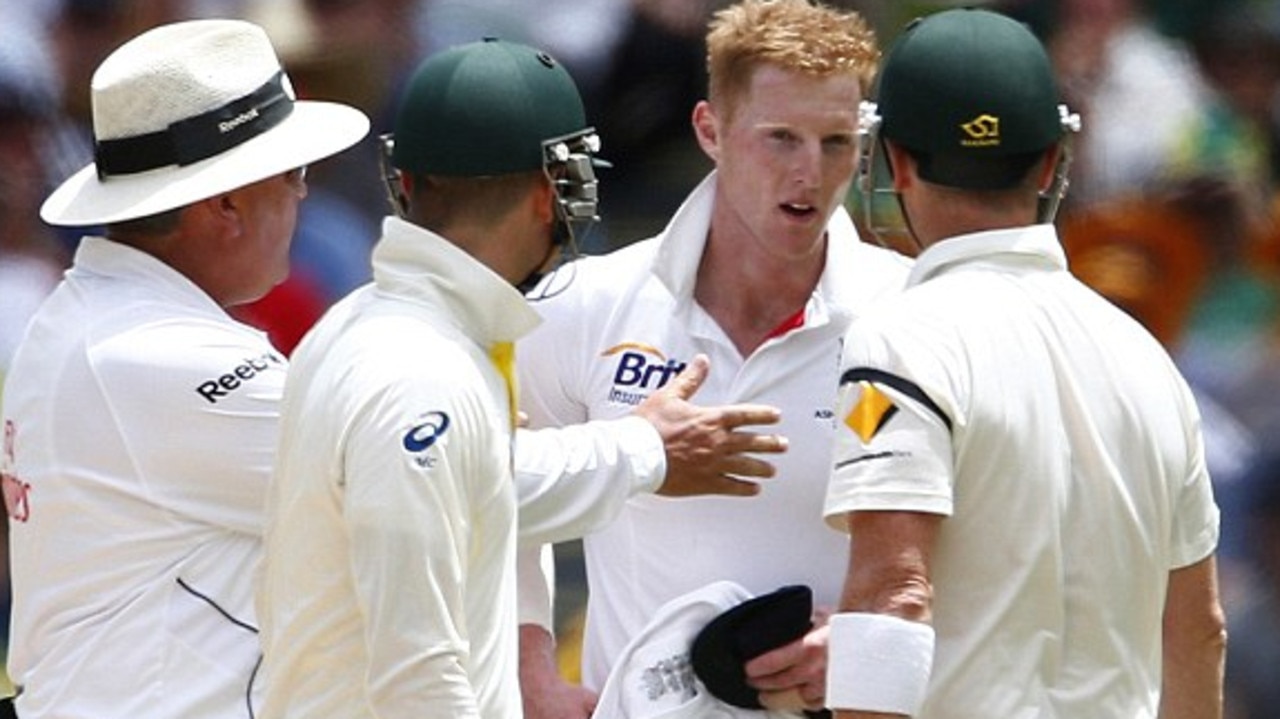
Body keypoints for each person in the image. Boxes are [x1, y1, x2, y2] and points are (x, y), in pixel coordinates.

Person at [254, 38, 787, 718]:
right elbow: (416, 669)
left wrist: (641, 448)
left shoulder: (361, 326)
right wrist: (645, 447)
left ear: (407, 183)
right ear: (550, 191)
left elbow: (483, 488)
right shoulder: (422, 374)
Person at [822, 8, 1225, 718]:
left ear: (896, 162)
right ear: (1049, 162)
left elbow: (895, 596)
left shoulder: (900, 340)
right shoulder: (1148, 360)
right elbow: (1198, 629)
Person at [515, 1, 912, 715]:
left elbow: (995, 546)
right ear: (712, 131)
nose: (810, 173)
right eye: (781, 138)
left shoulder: (913, 317)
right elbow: (492, 500)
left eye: (836, 142)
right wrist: (530, 668)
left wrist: (872, 645)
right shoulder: (584, 302)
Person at [0, 18, 370, 718]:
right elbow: (415, 478)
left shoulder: (89, 319)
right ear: (226, 203)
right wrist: (629, 448)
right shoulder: (155, 351)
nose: (302, 194)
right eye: (292, 173)